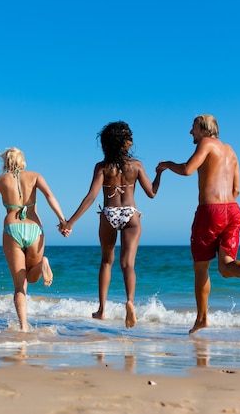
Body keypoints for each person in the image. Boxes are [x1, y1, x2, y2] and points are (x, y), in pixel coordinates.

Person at [155, 114, 240, 334]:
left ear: (205, 129)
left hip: (210, 212)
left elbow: (187, 169)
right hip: (233, 211)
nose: (190, 132)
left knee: (201, 269)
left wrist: (167, 165)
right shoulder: (230, 150)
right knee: (225, 267)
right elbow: (237, 190)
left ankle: (202, 318)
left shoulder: (206, 144)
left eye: (193, 128)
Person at [61, 121, 160, 328]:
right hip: (130, 214)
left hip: (109, 213)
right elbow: (151, 193)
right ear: (126, 143)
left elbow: (91, 197)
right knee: (128, 264)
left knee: (107, 262)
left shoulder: (102, 167)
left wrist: (70, 222)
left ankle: (102, 310)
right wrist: (160, 173)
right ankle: (130, 302)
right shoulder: (137, 166)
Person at [0, 147, 67, 332]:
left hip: (12, 229)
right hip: (35, 228)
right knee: (32, 277)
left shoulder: (0, 181)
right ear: (22, 161)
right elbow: (50, 196)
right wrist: (63, 220)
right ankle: (42, 263)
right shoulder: (35, 176)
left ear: (6, 162)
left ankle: (24, 326)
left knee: (20, 285)